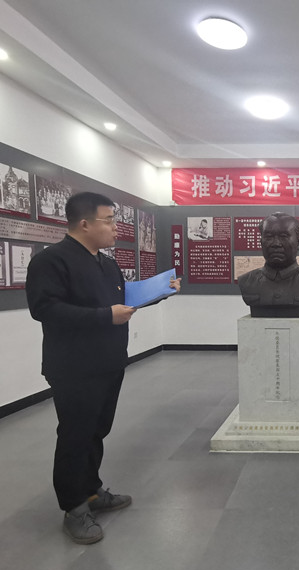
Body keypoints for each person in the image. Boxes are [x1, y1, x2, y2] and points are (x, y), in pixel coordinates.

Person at [26, 192, 181, 544]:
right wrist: (104, 316)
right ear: (84, 223)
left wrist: (160, 291)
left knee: (97, 429)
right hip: (73, 365)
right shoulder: (51, 261)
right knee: (75, 435)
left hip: (109, 360)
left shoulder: (107, 264)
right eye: (109, 220)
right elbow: (44, 309)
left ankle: (92, 491)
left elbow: (123, 300)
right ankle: (74, 507)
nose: (116, 228)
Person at [237, 212, 299, 317]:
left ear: (298, 243)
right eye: (269, 237)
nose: (276, 244)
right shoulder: (247, 281)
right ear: (261, 242)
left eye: (284, 236)